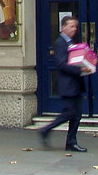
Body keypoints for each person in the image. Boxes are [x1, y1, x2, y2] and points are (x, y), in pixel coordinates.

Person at [39, 16, 90, 153]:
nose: (74, 29)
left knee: (76, 115)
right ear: (63, 27)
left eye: (75, 26)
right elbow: (61, 64)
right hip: (67, 85)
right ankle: (46, 130)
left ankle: (71, 142)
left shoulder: (71, 42)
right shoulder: (60, 43)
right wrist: (80, 70)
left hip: (75, 84)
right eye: (71, 26)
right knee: (69, 113)